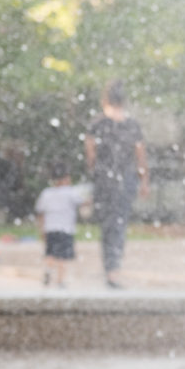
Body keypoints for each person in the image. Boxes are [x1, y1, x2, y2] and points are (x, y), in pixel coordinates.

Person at [85, 80, 150, 288]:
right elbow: (140, 157)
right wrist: (144, 181)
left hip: (104, 180)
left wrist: (93, 174)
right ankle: (115, 270)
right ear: (124, 100)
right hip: (126, 181)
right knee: (119, 224)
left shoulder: (96, 124)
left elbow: (91, 157)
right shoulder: (132, 125)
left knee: (107, 225)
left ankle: (109, 268)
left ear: (105, 99)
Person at [34, 163, 88, 288]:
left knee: (50, 253)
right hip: (66, 229)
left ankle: (48, 271)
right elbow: (83, 202)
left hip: (50, 228)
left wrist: (41, 229)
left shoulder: (46, 193)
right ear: (66, 178)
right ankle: (60, 280)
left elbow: (40, 213)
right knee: (63, 256)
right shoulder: (70, 192)